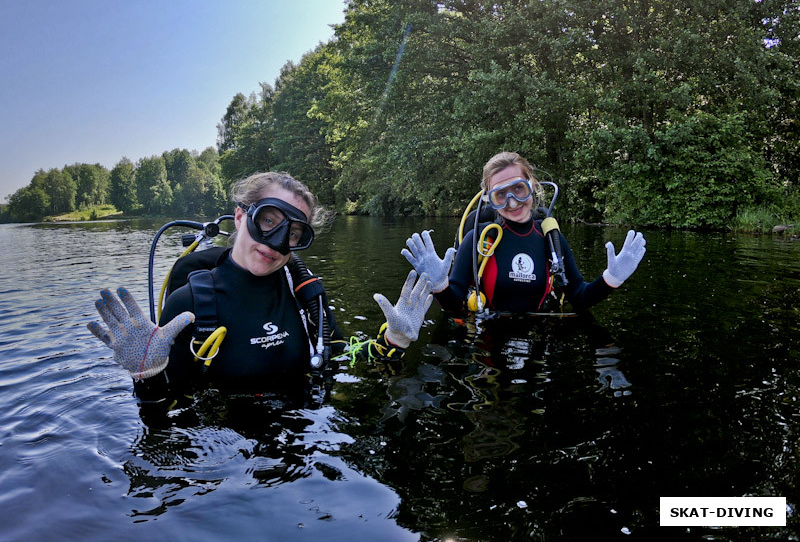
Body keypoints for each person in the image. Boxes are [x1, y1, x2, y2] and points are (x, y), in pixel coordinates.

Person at [88, 171, 433, 411]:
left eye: (294, 234)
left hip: (301, 448)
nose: (278, 242)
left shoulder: (306, 294)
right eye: (269, 221)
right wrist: (147, 377)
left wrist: (395, 341)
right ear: (240, 216)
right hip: (223, 462)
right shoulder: (190, 302)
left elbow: (343, 361)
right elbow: (163, 416)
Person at [402, 151, 646, 314]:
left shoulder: (552, 241)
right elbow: (455, 307)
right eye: (501, 195)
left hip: (538, 351)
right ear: (490, 199)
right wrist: (440, 285)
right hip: (486, 348)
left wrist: (611, 279)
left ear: (533, 186)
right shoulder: (477, 239)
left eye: (519, 189)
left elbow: (580, 297)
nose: (511, 202)